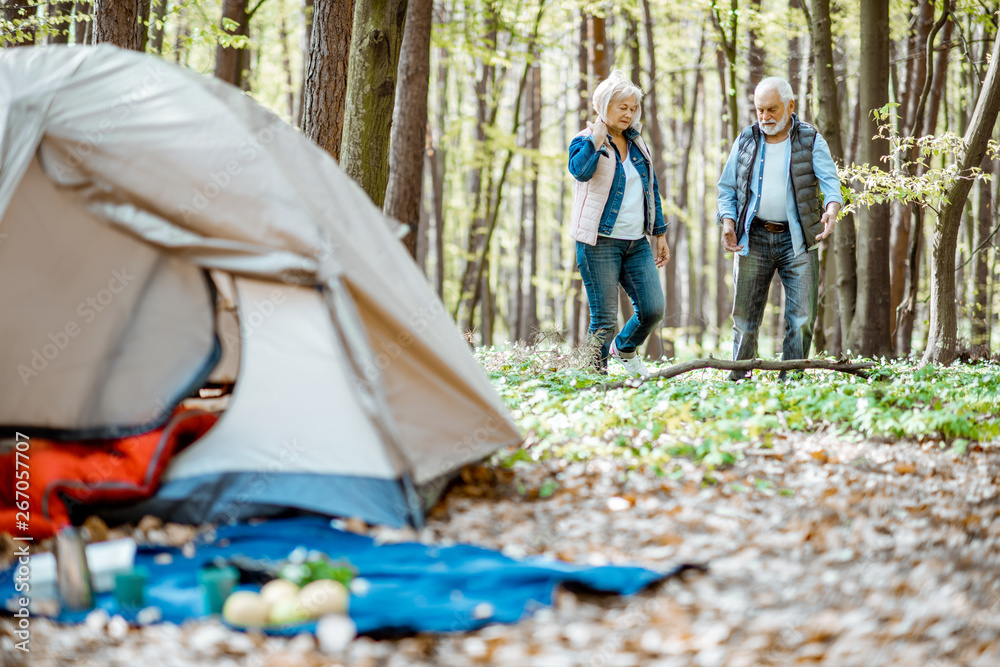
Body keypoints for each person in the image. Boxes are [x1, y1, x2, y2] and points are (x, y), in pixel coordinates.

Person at [716, 76, 844, 381]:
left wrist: (832, 210)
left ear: (790, 106)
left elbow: (831, 183)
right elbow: (726, 188)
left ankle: (792, 382)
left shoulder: (811, 139)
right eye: (759, 110)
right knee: (745, 319)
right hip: (753, 237)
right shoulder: (746, 139)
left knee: (801, 318)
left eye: (772, 109)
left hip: (797, 239)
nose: (764, 117)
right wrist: (728, 222)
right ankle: (739, 379)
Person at [568, 70, 670, 378]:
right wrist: (598, 135)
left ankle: (624, 349)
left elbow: (651, 188)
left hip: (635, 242)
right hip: (598, 241)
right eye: (621, 106)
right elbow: (580, 171)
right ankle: (593, 378)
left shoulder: (638, 144)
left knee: (653, 309)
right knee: (604, 319)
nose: (628, 113)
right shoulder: (585, 140)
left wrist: (659, 234)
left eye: (632, 108)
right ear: (603, 106)